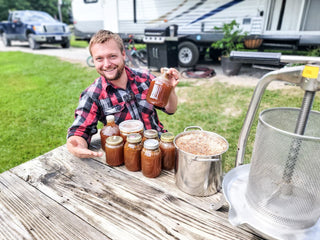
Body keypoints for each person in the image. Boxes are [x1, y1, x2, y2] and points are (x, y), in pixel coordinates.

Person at [67, 29, 180, 158]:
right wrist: (76, 144)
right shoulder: (93, 94)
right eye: (99, 59)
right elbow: (80, 130)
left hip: (158, 145)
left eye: (112, 56)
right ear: (93, 61)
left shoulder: (146, 78)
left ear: (123, 55)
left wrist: (170, 89)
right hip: (128, 154)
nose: (107, 64)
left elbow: (170, 109)